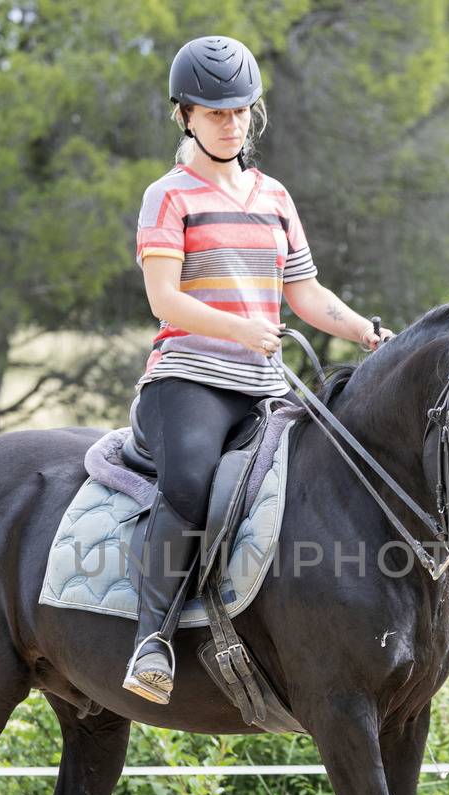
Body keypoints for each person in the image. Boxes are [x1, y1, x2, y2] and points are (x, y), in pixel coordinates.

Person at [124, 34, 395, 704]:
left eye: (242, 109)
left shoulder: (274, 196)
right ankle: (150, 639)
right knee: (188, 484)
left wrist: (368, 333)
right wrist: (241, 327)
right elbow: (165, 299)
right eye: (217, 112)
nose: (233, 122)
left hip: (264, 387)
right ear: (184, 114)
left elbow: (305, 295)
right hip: (189, 379)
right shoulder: (168, 196)